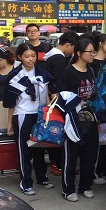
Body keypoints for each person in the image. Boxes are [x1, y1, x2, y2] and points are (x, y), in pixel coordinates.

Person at [4, 43, 55, 196]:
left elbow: (46, 97)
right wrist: (9, 123)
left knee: (39, 147)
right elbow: (11, 103)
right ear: (20, 57)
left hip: (39, 113)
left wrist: (48, 114)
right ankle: (26, 182)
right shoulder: (15, 76)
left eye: (33, 56)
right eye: (27, 56)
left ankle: (42, 178)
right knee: (24, 149)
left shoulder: (42, 74)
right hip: (22, 114)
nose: (30, 59)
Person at [56, 38, 99, 202]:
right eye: (90, 52)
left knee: (90, 154)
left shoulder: (91, 70)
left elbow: (94, 95)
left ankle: (85, 186)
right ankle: (68, 189)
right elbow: (59, 95)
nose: (93, 54)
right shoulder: (68, 72)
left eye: (94, 51)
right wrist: (75, 101)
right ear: (79, 53)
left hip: (90, 117)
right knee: (71, 155)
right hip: (72, 119)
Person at [43, 30, 78, 177]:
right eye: (74, 48)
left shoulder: (50, 55)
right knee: (58, 130)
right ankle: (57, 163)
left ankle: (55, 163)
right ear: (68, 45)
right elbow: (59, 82)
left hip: (48, 97)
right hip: (56, 99)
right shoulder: (59, 59)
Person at [90, 32, 106, 185]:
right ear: (101, 44)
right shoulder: (93, 64)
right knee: (98, 142)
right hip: (99, 104)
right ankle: (95, 172)